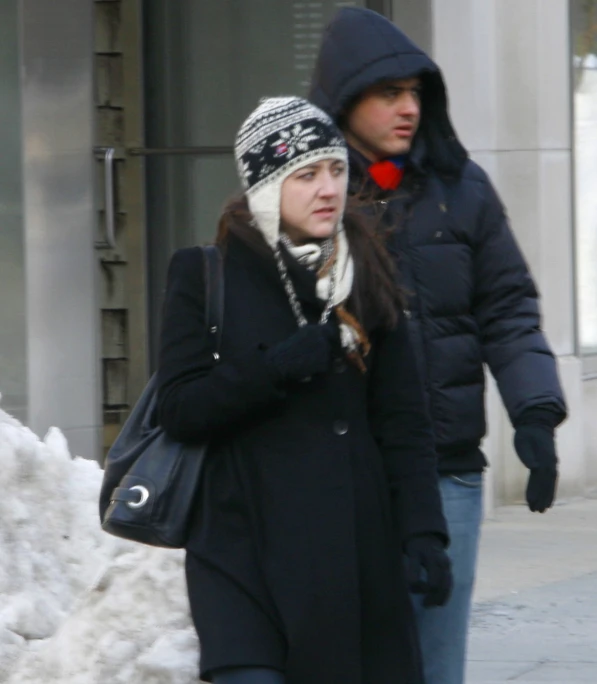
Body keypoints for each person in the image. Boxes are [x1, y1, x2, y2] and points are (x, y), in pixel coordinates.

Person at [309, 8, 567, 684]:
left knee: (433, 662)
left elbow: (507, 308)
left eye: (416, 92)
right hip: (341, 474)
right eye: (388, 93)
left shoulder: (461, 189)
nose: (407, 108)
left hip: (447, 468)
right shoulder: (309, 195)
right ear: (344, 99)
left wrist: (533, 413)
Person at [156, 96, 452, 684]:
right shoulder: (203, 274)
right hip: (244, 558)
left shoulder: (367, 273)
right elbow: (182, 410)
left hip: (355, 558)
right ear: (267, 185)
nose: (328, 189)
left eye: (337, 170)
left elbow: (403, 423)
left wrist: (424, 533)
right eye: (307, 174)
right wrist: (278, 366)